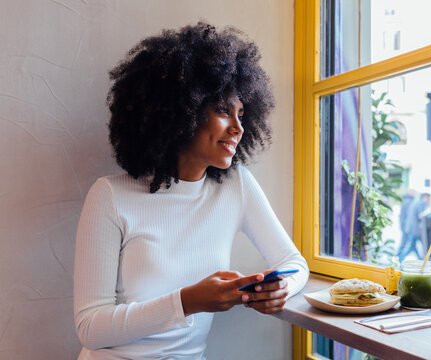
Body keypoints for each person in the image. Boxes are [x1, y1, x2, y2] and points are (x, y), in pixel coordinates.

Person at [73, 22, 309, 360]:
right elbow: (90, 328)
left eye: (242, 114)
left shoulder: (236, 186)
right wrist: (188, 302)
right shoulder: (110, 196)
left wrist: (279, 289)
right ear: (183, 111)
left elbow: (294, 263)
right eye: (224, 111)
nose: (239, 128)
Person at [398, 192, 431, 262]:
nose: (429, 200)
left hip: (410, 228)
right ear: (425, 197)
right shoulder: (421, 203)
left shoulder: (416, 202)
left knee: (413, 246)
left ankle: (422, 259)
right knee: (411, 246)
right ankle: (399, 260)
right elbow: (421, 216)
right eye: (429, 198)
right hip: (415, 229)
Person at [396, 189, 416, 257]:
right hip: (406, 225)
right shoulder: (408, 201)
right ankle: (398, 257)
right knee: (405, 242)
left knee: (409, 243)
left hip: (405, 225)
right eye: (413, 192)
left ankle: (398, 257)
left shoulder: (406, 200)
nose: (415, 193)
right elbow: (408, 216)